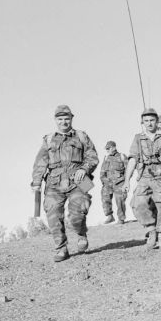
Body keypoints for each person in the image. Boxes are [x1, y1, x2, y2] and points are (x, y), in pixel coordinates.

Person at [31, 105, 98, 262]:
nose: (63, 122)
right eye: (60, 119)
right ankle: (61, 248)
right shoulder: (48, 139)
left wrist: (84, 168)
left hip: (80, 180)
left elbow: (93, 157)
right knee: (53, 214)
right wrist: (36, 182)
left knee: (79, 211)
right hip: (54, 182)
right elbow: (40, 162)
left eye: (66, 118)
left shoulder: (81, 136)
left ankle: (81, 233)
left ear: (72, 119)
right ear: (55, 120)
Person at [123, 108, 161, 251]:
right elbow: (132, 159)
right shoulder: (138, 138)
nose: (149, 123)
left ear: (156, 121)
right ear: (142, 122)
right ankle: (151, 232)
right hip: (145, 176)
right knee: (138, 203)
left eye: (152, 120)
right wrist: (127, 180)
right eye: (146, 121)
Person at [100, 141, 128, 224]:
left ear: (114, 147)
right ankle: (109, 216)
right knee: (105, 199)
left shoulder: (122, 156)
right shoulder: (106, 158)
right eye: (106, 149)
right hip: (107, 183)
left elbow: (128, 169)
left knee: (120, 200)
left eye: (108, 148)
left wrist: (125, 181)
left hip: (120, 182)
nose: (107, 150)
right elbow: (102, 171)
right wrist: (103, 180)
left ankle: (121, 219)